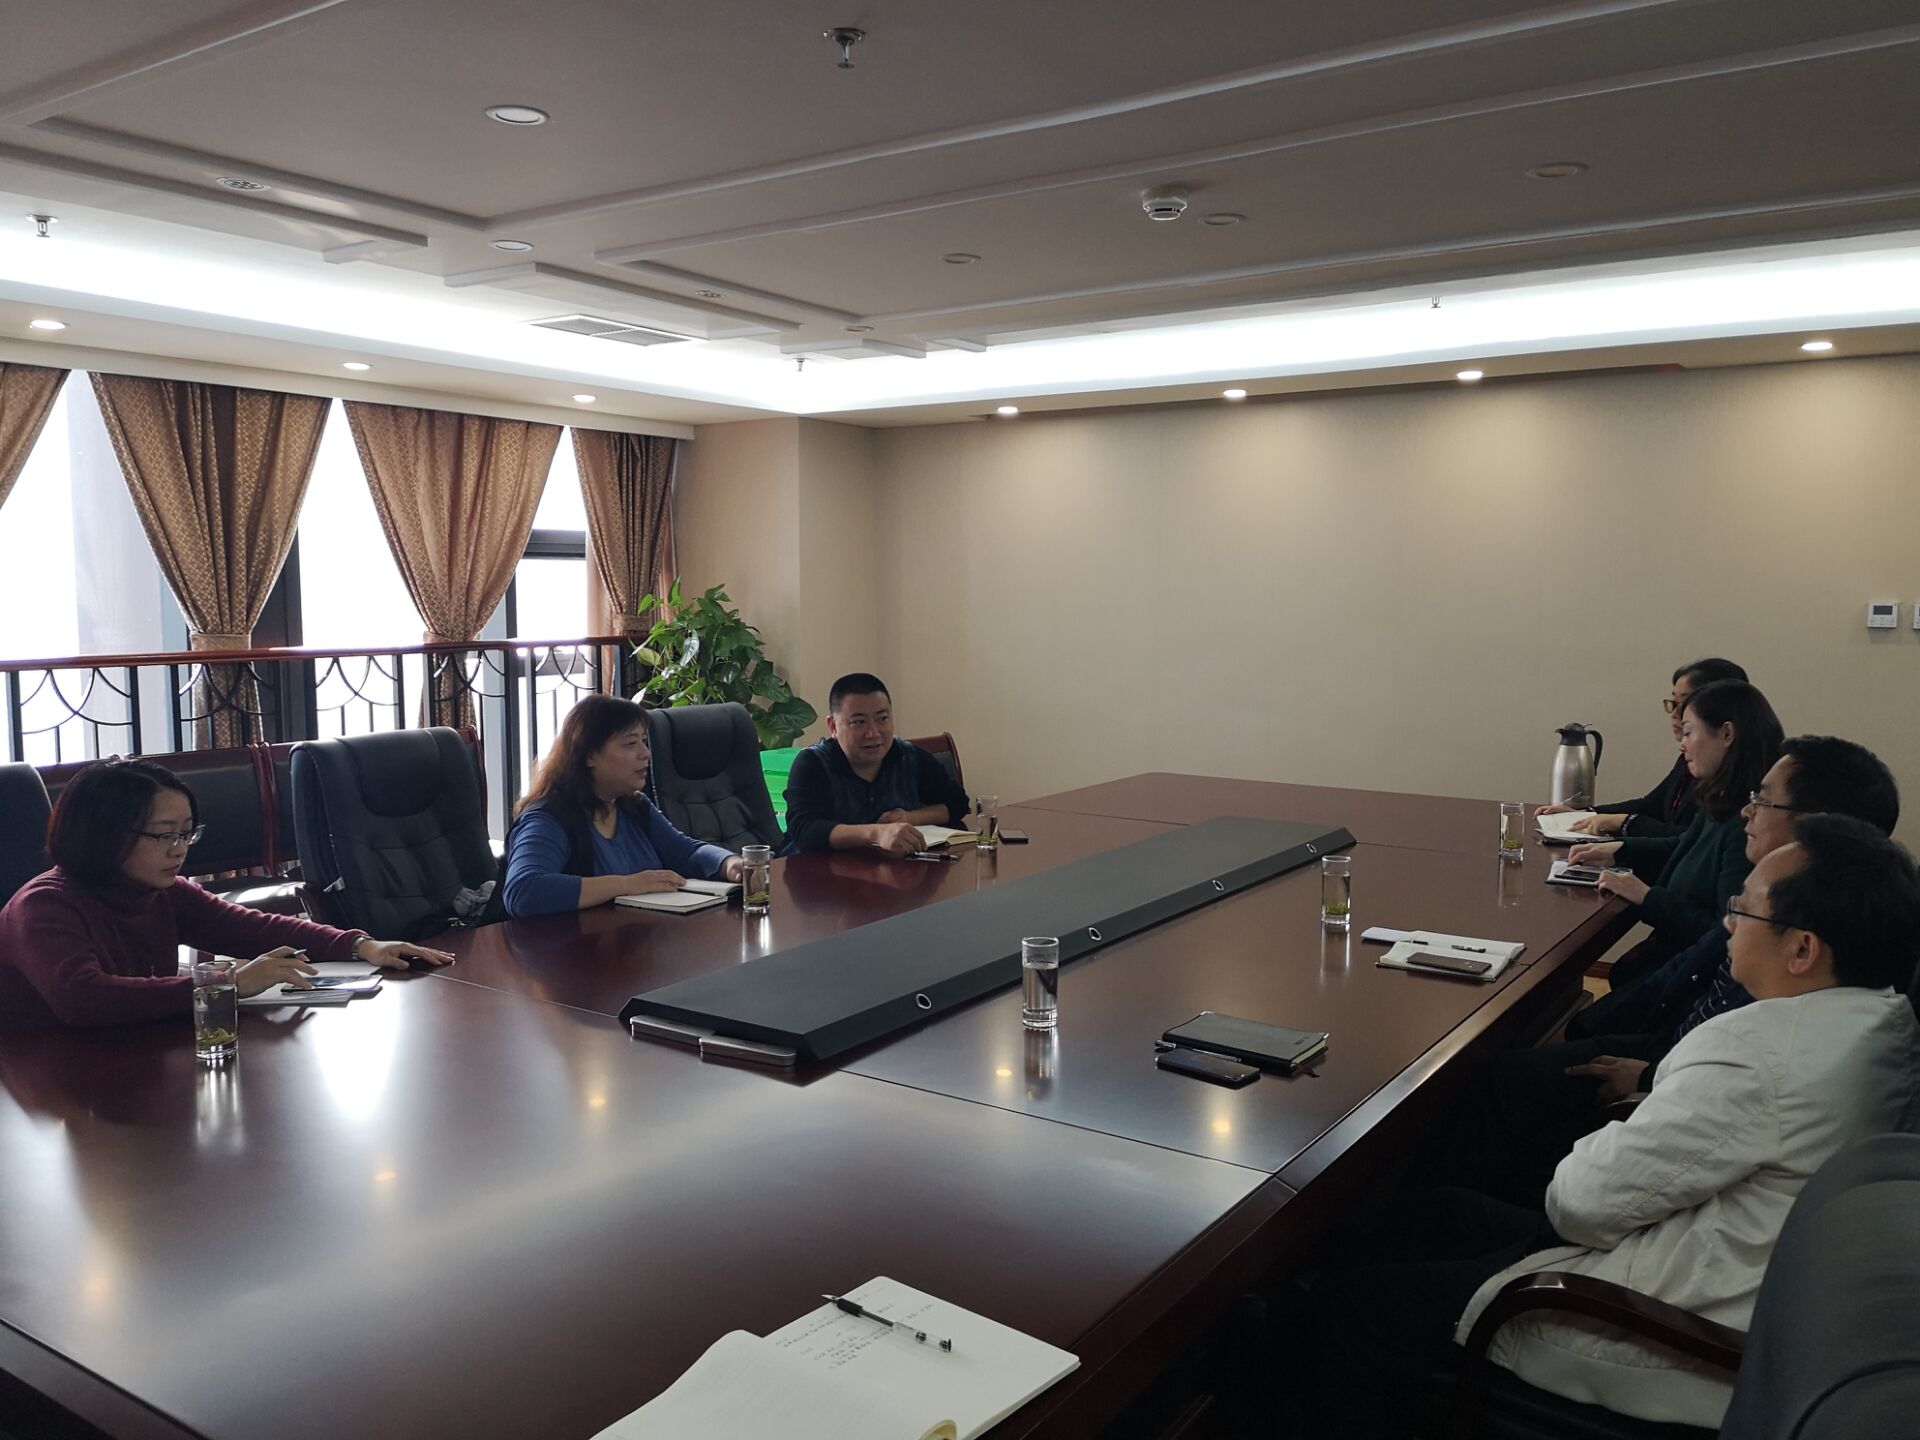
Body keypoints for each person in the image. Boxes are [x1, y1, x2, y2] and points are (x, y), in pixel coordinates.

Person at [1316, 815, 1920, 1436]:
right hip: (1721, 1278)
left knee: (1360, 1310)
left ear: (1802, 950)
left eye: (1743, 909)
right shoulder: (1882, 1019)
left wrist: (1624, 1127)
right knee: (1435, 1212)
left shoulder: (1755, 1054)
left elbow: (1579, 1204)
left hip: (1660, 1325)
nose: (1728, 923)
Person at [1414, 734, 1900, 1206]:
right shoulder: (1801, 919)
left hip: (1646, 1110)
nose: (1746, 811)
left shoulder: (1787, 972)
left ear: (1817, 824)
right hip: (1662, 1053)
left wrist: (1651, 1076)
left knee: (1490, 1087)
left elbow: (1590, 1202)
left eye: (1763, 800)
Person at [0, 759, 451, 1031]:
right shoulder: (45, 905)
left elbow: (254, 929)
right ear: (103, 833)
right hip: (46, 1083)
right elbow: (82, 998)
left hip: (128, 1057)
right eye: (163, 835)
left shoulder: (164, 892)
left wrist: (361, 945)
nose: (179, 849)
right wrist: (224, 986)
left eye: (186, 833)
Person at [1568, 678, 1782, 990]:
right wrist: (1619, 849)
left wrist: (1646, 895)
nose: (1682, 744)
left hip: (1695, 975)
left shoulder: (1748, 824)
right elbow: (1685, 844)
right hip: (1673, 957)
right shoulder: (1721, 797)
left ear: (1726, 734)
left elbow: (1724, 930)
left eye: (1689, 732)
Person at [502, 695, 748, 917]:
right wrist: (628, 884)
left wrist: (729, 863)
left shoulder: (633, 805)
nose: (646, 753)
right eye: (631, 744)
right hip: (574, 949)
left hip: (634, 940)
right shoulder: (549, 818)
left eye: (644, 741)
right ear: (589, 755)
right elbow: (523, 892)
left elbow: (686, 853)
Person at [1540, 657, 1748, 839]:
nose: (1675, 714)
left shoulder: (1738, 781)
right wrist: (1584, 814)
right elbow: (1651, 805)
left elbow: (1688, 840)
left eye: (1684, 703)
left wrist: (1625, 823)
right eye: (1673, 702)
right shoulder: (1691, 758)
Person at [781, 673, 969, 855]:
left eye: (882, 719)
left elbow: (958, 804)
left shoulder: (908, 756)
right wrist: (876, 833)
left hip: (890, 870)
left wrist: (911, 818)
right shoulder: (813, 763)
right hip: (816, 871)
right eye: (859, 722)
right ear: (833, 726)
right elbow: (804, 830)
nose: (873, 733)